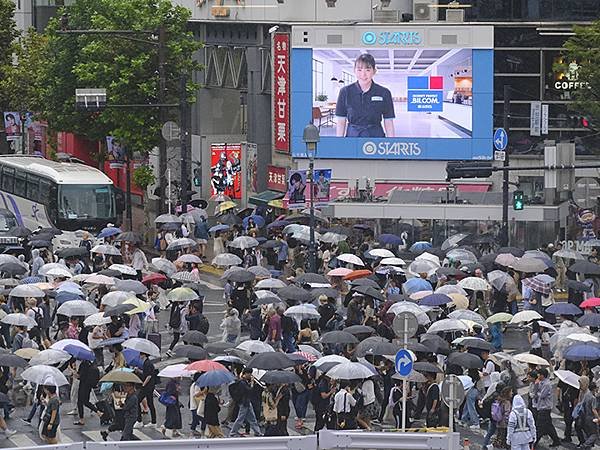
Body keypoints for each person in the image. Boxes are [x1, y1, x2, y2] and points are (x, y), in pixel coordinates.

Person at [335, 53, 395, 138]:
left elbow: (388, 120)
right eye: (359, 70)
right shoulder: (345, 92)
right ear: (354, 71)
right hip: (353, 137)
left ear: (374, 71)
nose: (363, 75)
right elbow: (341, 120)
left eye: (367, 70)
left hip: (376, 137)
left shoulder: (384, 92)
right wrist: (339, 142)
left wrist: (391, 143)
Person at [229, 368, 262, 437]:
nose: (250, 375)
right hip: (244, 403)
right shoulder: (242, 382)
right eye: (249, 374)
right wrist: (252, 384)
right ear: (246, 373)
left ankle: (257, 432)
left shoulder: (244, 381)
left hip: (247, 402)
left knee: (252, 418)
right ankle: (232, 432)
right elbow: (249, 391)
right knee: (240, 418)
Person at [532, 368, 560, 448]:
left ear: (542, 375)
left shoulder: (547, 384)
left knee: (539, 427)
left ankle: (534, 443)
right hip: (541, 407)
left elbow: (542, 395)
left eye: (539, 374)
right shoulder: (541, 382)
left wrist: (537, 391)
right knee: (549, 427)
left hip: (545, 408)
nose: (537, 376)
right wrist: (537, 386)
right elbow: (536, 392)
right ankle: (556, 441)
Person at [136, 352, 157, 429]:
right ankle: (154, 422)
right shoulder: (147, 363)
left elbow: (148, 376)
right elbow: (146, 373)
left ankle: (139, 421)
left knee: (137, 401)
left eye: (141, 354)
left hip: (147, 387)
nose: (139, 356)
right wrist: (138, 370)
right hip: (150, 386)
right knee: (150, 403)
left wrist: (143, 385)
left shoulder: (147, 363)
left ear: (144, 355)